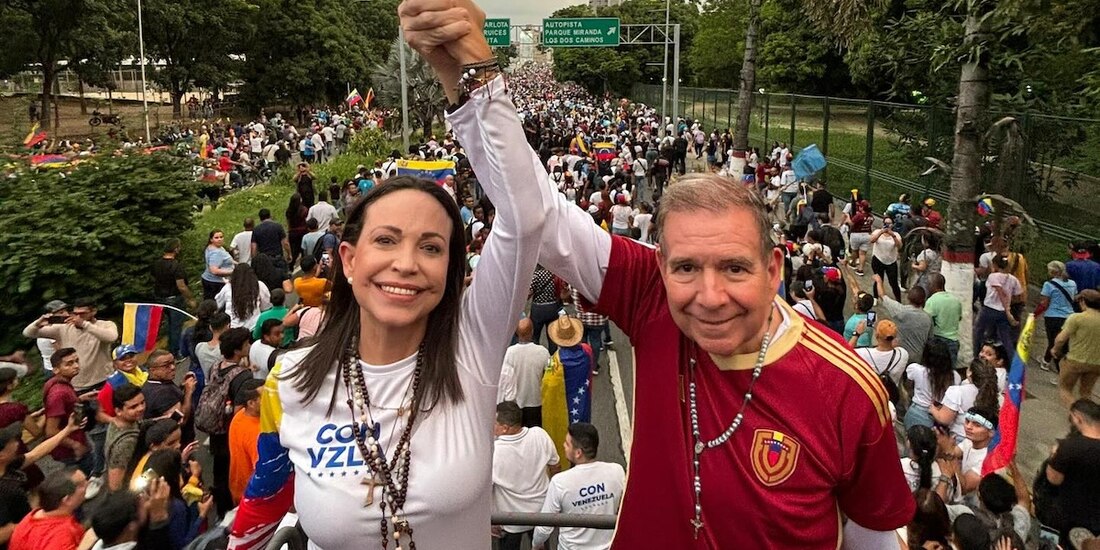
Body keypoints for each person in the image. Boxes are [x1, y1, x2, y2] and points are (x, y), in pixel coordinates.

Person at [403, 8, 912, 544]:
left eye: (734, 268)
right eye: (686, 267)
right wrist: (469, 76)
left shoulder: (846, 387)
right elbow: (537, 212)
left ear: (773, 269)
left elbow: (874, 539)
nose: (709, 296)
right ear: (660, 264)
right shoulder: (652, 295)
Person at [230, 15, 550, 546]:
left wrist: (469, 66)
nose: (406, 263)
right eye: (386, 240)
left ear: (452, 270)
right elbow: (257, 518)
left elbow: (526, 217)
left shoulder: (472, 349)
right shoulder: (289, 381)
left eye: (431, 247)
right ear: (348, 259)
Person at [531, 423, 624, 550]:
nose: (563, 445)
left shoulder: (560, 482)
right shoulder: (617, 471)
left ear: (578, 453)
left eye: (567, 444)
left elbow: (544, 526)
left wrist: (536, 544)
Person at [198, 328, 254, 516]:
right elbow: (239, 411)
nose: (249, 346)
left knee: (219, 469)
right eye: (246, 344)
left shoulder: (216, 366)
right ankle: (229, 510)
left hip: (214, 426)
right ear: (237, 350)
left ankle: (219, 506)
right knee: (232, 471)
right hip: (230, 430)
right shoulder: (243, 376)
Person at [491, 401, 560, 550]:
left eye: (495, 423)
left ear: (505, 428)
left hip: (510, 519)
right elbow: (555, 466)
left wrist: (491, 518)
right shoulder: (540, 435)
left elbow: (486, 491)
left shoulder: (493, 453)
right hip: (541, 513)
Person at [22, 297, 119, 390]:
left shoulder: (105, 325)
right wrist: (38, 323)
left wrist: (84, 324)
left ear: (93, 311)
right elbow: (28, 333)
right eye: (75, 314)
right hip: (77, 385)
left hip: (104, 381)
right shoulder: (63, 328)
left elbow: (111, 337)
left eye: (82, 314)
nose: (78, 317)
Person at [1044, 399, 1100, 544]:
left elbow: (1054, 479)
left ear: (1078, 417)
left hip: (1068, 515)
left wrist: (1053, 456)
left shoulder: (1069, 447)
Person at [41, 349, 93, 476]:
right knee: (83, 480)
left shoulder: (57, 383)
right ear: (56, 370)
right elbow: (50, 431)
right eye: (69, 364)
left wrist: (79, 399)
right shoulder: (59, 393)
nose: (76, 366)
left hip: (76, 442)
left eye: (76, 361)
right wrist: (75, 445)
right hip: (71, 451)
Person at [8, 468, 88, 550]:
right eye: (81, 485)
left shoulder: (32, 517)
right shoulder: (61, 537)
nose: (87, 484)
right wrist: (88, 540)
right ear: (67, 499)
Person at [933, 405, 997, 508]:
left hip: (975, 507)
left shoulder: (988, 459)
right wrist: (941, 443)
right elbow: (952, 452)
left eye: (977, 425)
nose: (968, 427)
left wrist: (949, 451)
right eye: (967, 421)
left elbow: (964, 487)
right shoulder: (969, 441)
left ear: (991, 432)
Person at [1051, 289, 1100, 407]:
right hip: (1096, 363)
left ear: (1083, 301)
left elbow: (1061, 339)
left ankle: (1077, 413)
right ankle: (1089, 414)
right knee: (1086, 393)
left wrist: (1055, 349)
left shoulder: (1076, 318)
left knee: (1065, 389)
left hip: (1075, 360)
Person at [931, 360, 999, 443]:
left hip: (960, 438)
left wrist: (932, 409)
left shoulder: (957, 391)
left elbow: (944, 419)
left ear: (970, 373)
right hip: (984, 440)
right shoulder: (993, 393)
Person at [872, 273, 933, 364]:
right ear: (924, 300)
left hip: (899, 356)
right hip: (917, 358)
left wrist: (879, 282)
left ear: (908, 298)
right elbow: (930, 339)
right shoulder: (928, 318)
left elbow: (882, 296)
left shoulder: (900, 311)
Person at [503, 319, 552, 428]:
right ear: (532, 331)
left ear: (516, 333)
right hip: (536, 401)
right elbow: (549, 374)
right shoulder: (543, 352)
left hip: (516, 402)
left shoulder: (509, 353)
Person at [152, 239, 196, 358]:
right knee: (176, 326)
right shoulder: (176, 266)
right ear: (176, 249)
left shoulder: (157, 264)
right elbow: (181, 286)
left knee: (167, 324)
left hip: (159, 298)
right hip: (174, 299)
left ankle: (167, 346)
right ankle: (175, 353)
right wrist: (190, 299)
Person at [904, 339, 961, 431]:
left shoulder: (916, 370)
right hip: (942, 415)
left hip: (918, 412)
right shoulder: (955, 376)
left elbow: (908, 386)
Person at [1036, 261, 1079, 373]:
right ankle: (1049, 361)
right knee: (1064, 341)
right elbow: (1074, 298)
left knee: (1053, 341)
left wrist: (1036, 314)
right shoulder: (1073, 283)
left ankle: (1055, 366)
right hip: (1069, 316)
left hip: (1053, 315)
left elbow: (1044, 303)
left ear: (1052, 272)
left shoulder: (1048, 285)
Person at [105, 384, 146, 492]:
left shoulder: (120, 421)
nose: (141, 408)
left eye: (142, 402)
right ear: (118, 411)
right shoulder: (126, 443)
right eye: (133, 407)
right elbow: (115, 485)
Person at [228, 379, 263, 506]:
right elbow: (261, 472)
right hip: (254, 497)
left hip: (238, 488)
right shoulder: (256, 433)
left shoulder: (240, 415)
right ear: (251, 403)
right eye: (266, 397)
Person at [215, 264, 272, 331]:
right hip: (253, 328)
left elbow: (217, 304)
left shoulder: (228, 287)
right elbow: (267, 306)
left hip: (232, 328)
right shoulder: (259, 285)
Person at [924, 273, 963, 369]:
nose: (927, 287)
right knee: (950, 371)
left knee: (936, 371)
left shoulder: (932, 301)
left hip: (938, 340)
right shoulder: (955, 300)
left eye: (928, 284)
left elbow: (926, 320)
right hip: (953, 340)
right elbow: (959, 318)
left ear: (933, 285)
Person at [869, 217, 903, 301]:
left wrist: (893, 235)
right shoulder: (877, 232)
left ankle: (898, 300)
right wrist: (881, 232)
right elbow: (872, 240)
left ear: (892, 225)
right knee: (878, 279)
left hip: (891, 261)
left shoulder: (896, 234)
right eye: (885, 223)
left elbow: (899, 246)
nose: (887, 225)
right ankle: (875, 297)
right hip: (878, 259)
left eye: (889, 223)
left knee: (893, 282)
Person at [201, 230, 235, 300]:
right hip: (216, 283)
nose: (219, 239)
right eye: (216, 238)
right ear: (211, 240)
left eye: (221, 237)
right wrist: (233, 271)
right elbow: (214, 270)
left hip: (209, 280)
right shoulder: (216, 253)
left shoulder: (215, 247)